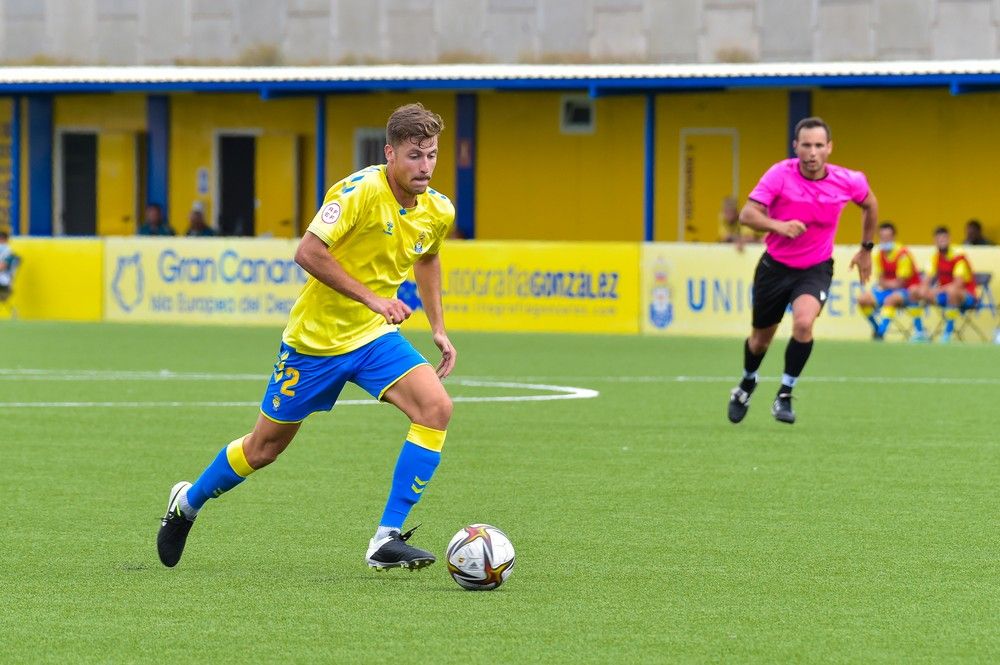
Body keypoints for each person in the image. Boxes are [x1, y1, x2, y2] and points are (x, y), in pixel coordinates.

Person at [157, 103, 457, 571]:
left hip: (373, 339)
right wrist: (374, 299)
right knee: (265, 448)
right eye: (415, 155)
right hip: (314, 343)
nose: (425, 167)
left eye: (432, 155)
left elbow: (428, 258)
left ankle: (385, 538)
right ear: (390, 153)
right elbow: (308, 251)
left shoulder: (437, 209)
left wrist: (438, 326)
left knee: (436, 408)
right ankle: (187, 504)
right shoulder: (359, 192)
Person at [727, 117, 877, 425]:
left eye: (819, 145)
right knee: (759, 341)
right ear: (796, 147)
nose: (812, 152)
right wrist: (777, 225)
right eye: (806, 145)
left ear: (829, 148)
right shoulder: (779, 174)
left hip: (815, 268)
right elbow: (747, 214)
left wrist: (866, 249)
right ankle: (746, 383)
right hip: (775, 267)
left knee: (804, 324)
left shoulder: (849, 180)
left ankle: (785, 393)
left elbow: (870, 204)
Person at [856, 221, 922, 340]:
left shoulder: (903, 255)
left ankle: (881, 333)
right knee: (862, 299)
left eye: (887, 237)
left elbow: (900, 283)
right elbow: (880, 280)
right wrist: (888, 284)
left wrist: (886, 284)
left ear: (893, 237)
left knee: (890, 300)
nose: (885, 240)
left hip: (907, 291)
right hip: (888, 290)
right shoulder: (879, 254)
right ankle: (876, 328)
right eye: (882, 237)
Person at [917, 226, 977, 343]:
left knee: (952, 292)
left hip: (967, 296)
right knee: (917, 291)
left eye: (944, 239)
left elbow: (957, 285)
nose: (941, 242)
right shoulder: (935, 257)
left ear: (949, 239)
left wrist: (936, 290)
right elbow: (927, 279)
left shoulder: (959, 256)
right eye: (938, 240)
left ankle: (947, 335)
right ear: (935, 241)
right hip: (945, 295)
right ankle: (920, 332)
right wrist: (924, 290)